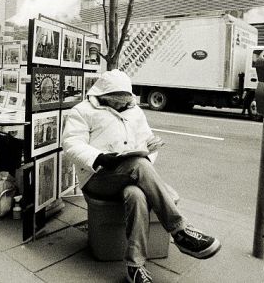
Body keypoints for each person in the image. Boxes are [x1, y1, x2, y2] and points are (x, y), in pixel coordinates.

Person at [62, 69, 221, 283]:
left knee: (136, 194)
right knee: (137, 165)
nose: (122, 105)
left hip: (129, 175)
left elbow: (146, 142)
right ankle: (180, 230)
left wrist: (149, 148)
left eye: (125, 100)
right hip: (97, 177)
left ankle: (134, 265)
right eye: (116, 101)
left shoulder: (134, 111)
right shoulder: (82, 111)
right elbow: (71, 144)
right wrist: (99, 157)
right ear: (103, 96)